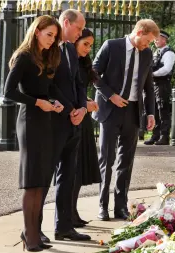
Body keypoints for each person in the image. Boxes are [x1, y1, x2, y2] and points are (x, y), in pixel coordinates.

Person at [4, 15, 67, 251]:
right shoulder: (23, 57)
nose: (52, 40)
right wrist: (37, 102)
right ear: (37, 31)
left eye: (55, 37)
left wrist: (54, 101)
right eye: (49, 34)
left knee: (41, 180)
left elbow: (47, 89)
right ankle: (30, 236)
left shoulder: (45, 57)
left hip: (45, 121)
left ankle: (32, 232)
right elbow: (9, 91)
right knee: (32, 181)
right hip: (29, 121)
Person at [92, 19, 159, 221]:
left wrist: (151, 113)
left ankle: (120, 206)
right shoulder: (111, 46)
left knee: (126, 161)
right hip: (110, 109)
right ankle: (102, 205)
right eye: (147, 41)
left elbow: (148, 85)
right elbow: (93, 73)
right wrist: (110, 95)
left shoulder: (146, 54)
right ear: (139, 32)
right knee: (107, 159)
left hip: (132, 111)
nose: (148, 46)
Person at [39, 9, 91, 242]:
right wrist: (71, 109)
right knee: (43, 177)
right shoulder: (50, 47)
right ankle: (33, 227)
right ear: (66, 22)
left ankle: (64, 227)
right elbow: (51, 85)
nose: (80, 33)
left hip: (75, 122)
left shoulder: (70, 48)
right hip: (56, 121)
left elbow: (78, 82)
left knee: (68, 176)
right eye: (78, 28)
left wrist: (82, 108)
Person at [71, 28, 101, 228]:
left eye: (90, 45)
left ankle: (72, 212)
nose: (88, 49)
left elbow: (79, 90)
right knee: (71, 171)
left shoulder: (82, 62)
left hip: (84, 118)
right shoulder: (68, 62)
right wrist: (83, 105)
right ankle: (66, 214)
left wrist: (86, 101)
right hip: (73, 118)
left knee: (79, 170)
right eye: (85, 44)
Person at [144, 30, 175, 145]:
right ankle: (155, 135)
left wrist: (152, 75)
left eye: (158, 38)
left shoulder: (169, 53)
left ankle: (164, 136)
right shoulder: (156, 52)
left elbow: (166, 69)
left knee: (163, 110)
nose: (155, 40)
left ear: (164, 39)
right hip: (154, 84)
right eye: (155, 38)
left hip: (163, 84)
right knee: (154, 110)